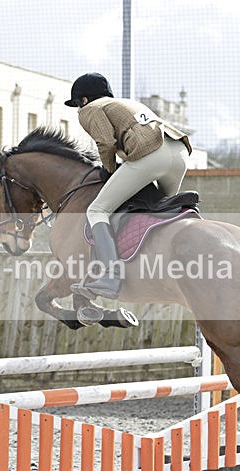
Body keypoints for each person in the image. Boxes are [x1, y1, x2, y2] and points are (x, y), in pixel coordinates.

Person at [65, 72, 192, 300]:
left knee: (97, 211)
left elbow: (106, 142)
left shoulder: (90, 109)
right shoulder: (126, 103)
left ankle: (110, 276)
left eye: (76, 104)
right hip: (179, 152)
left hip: (152, 154)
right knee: (159, 209)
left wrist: (109, 169)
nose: (77, 109)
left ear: (83, 100)